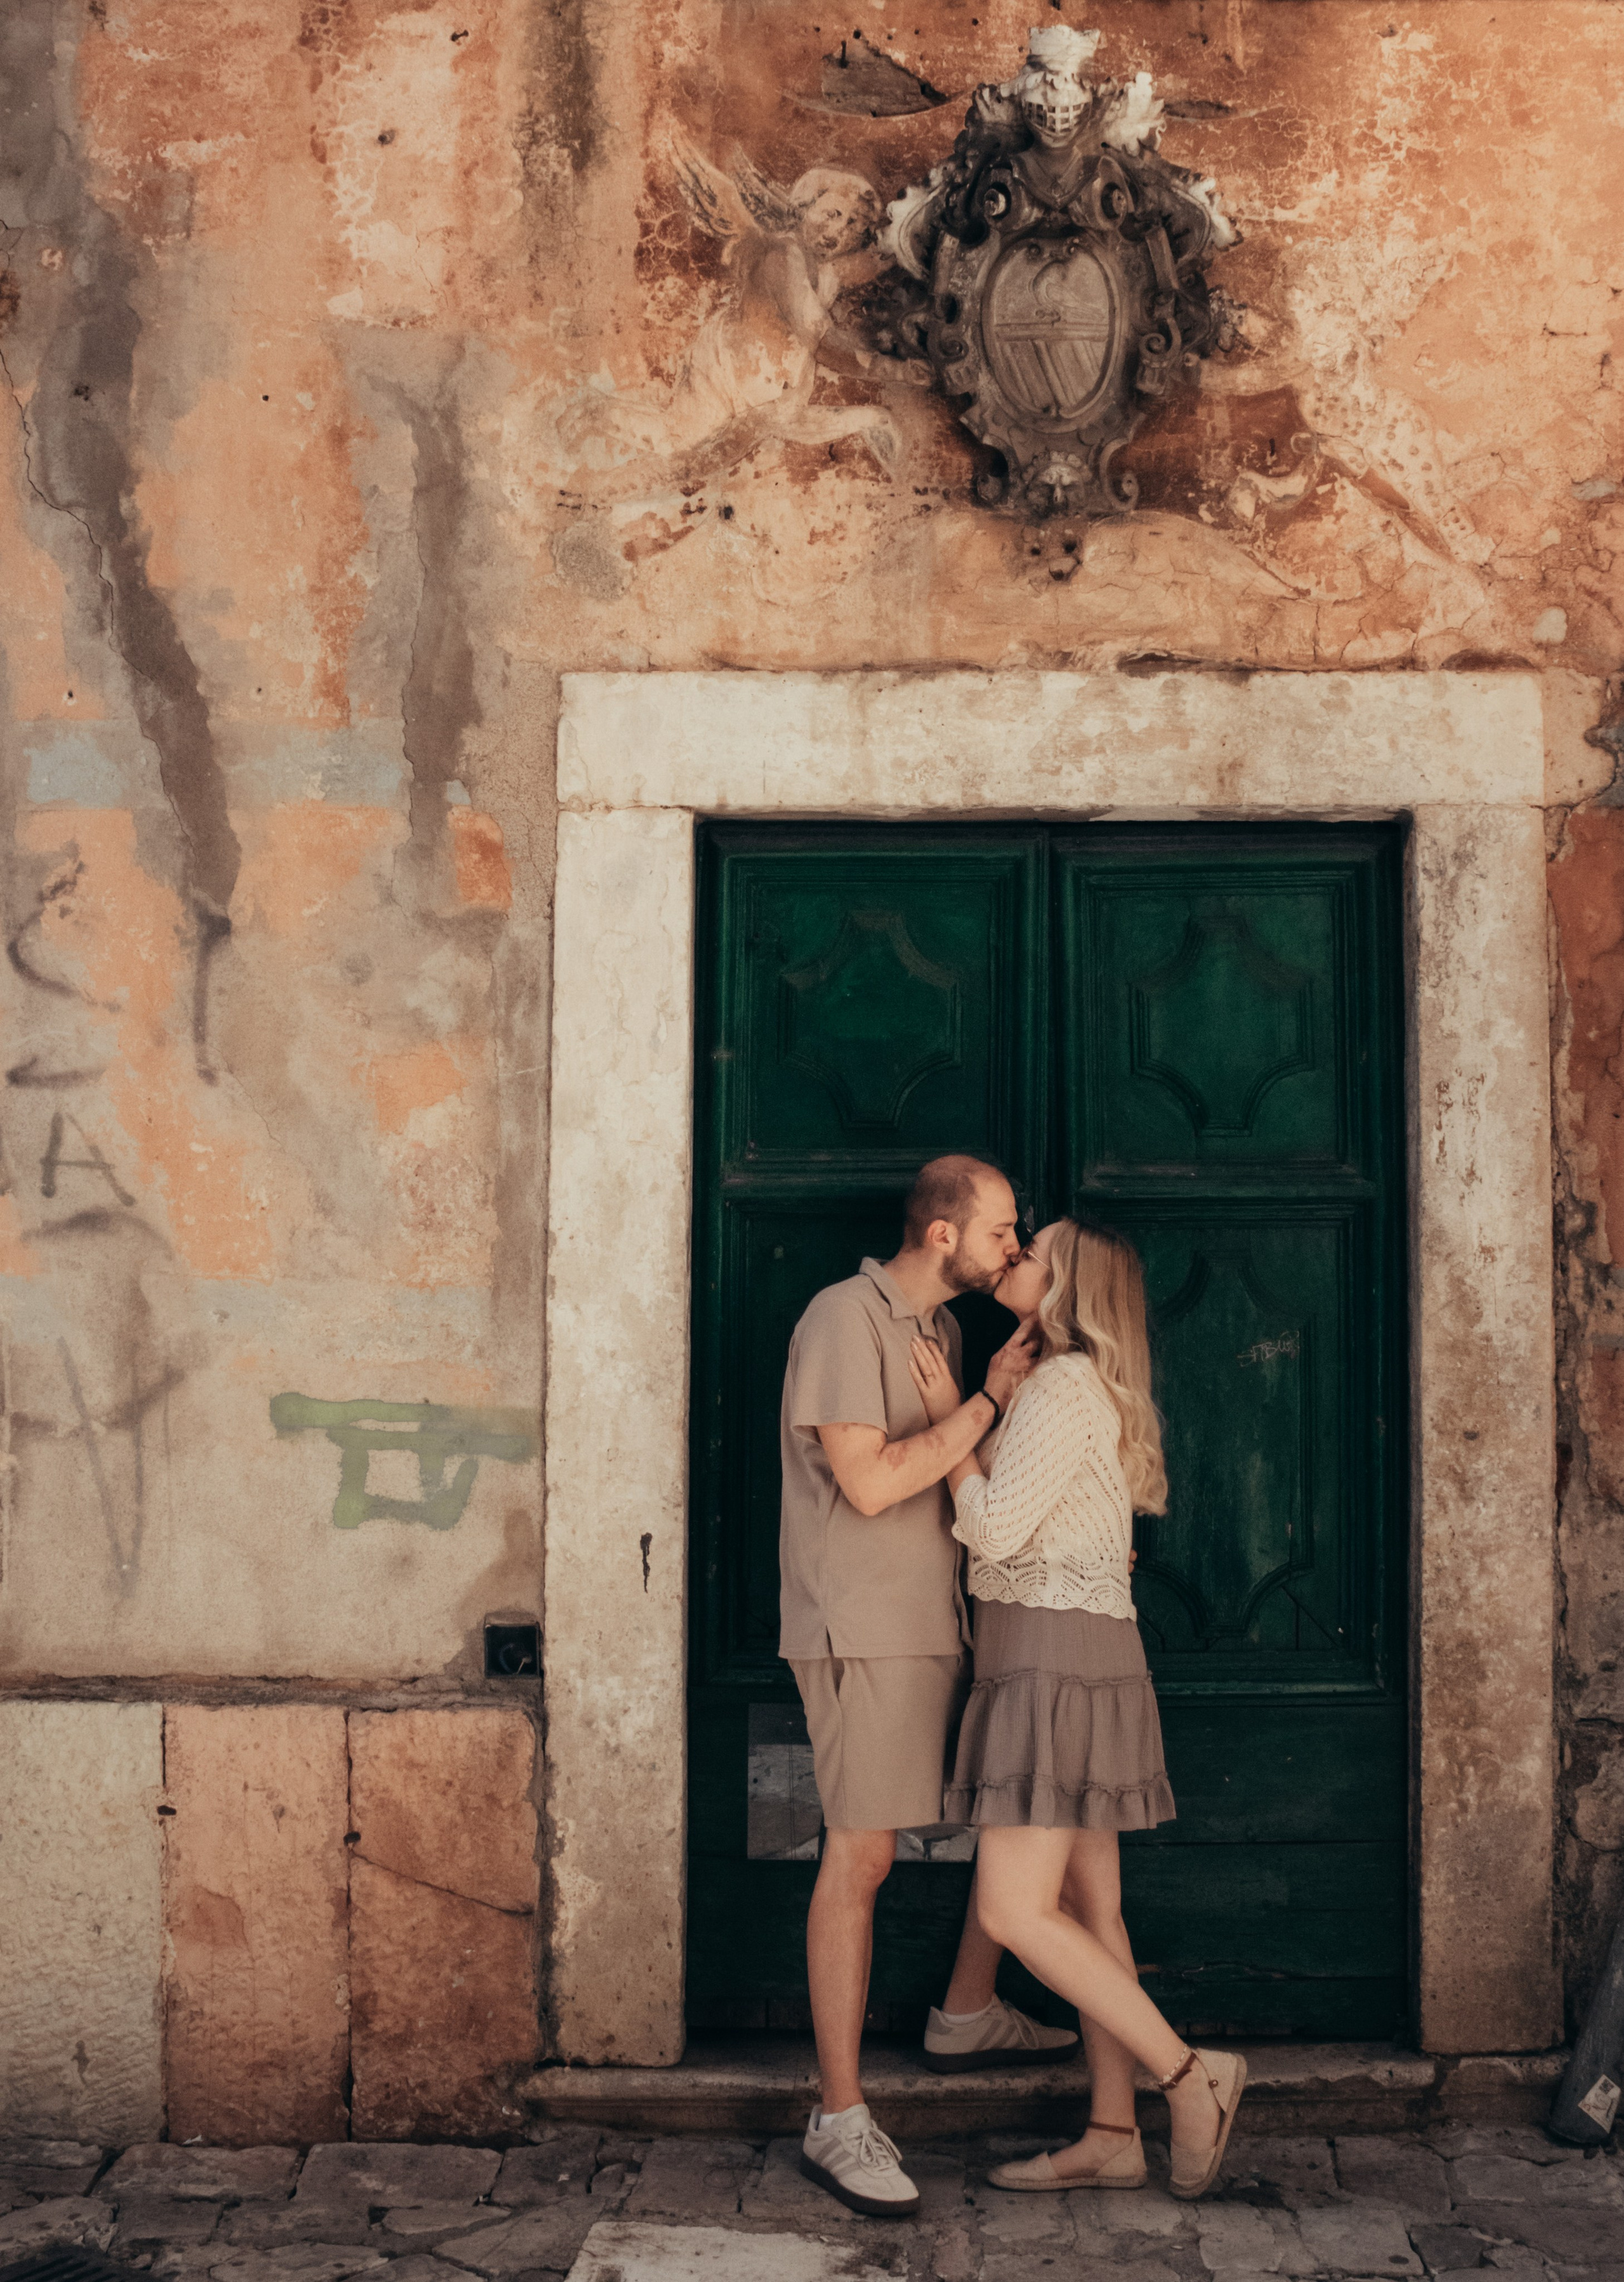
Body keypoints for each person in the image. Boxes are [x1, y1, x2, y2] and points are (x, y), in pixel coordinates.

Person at [908, 1217, 1247, 2200]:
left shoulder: (1061, 1386)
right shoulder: (1061, 1381)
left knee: (1014, 1906)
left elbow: (991, 1529)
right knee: (1095, 1909)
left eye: (1034, 1251)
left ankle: (1188, 2074)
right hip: (1076, 1650)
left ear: (1067, 1286)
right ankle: (1111, 2132)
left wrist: (952, 1419)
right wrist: (990, 1403)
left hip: (1049, 1658)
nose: (1014, 1255)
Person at [779, 1153, 1075, 2219]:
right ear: (944, 1233)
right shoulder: (842, 1318)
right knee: (860, 1858)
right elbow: (868, 1484)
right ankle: (837, 2117)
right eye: (1002, 1229)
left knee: (1005, 1817)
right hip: (865, 1631)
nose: (1015, 1245)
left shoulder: (943, 1330)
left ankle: (966, 2010)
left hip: (940, 1624)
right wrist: (987, 1402)